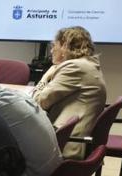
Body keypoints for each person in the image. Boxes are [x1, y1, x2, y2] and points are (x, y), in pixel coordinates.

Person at [32, 26, 107, 159]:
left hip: (66, 143)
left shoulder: (74, 67)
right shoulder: (88, 64)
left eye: (54, 45)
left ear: (64, 46)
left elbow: (38, 102)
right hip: (74, 137)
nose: (51, 50)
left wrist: (45, 76)